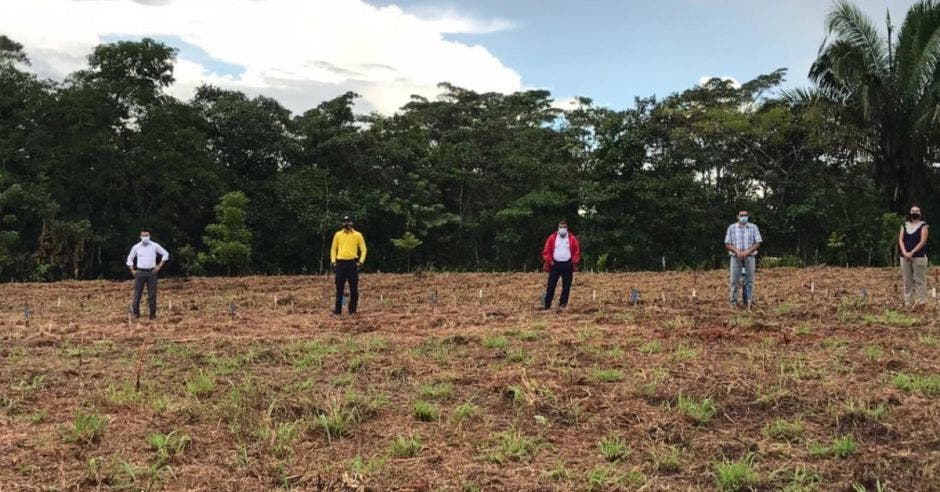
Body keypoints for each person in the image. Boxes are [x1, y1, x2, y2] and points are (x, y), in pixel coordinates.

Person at [126, 230, 169, 320]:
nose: (145, 237)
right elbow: (130, 258)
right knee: (137, 294)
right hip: (140, 272)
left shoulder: (155, 246)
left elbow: (165, 254)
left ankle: (152, 314)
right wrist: (132, 269)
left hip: (151, 272)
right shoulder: (136, 247)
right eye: (143, 235)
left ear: (149, 236)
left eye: (147, 235)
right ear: (140, 236)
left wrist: (159, 266)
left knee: (152, 295)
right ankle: (136, 313)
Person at [724, 210, 762, 308]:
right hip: (735, 257)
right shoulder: (732, 228)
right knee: (734, 281)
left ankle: (748, 302)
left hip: (750, 257)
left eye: (745, 215)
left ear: (748, 216)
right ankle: (733, 303)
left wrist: (747, 252)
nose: (744, 217)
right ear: (738, 216)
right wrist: (737, 252)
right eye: (742, 215)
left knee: (749, 281)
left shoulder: (753, 227)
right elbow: (727, 243)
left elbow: (758, 242)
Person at [331, 216, 367, 315]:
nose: (347, 224)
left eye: (349, 221)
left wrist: (361, 261)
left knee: (353, 288)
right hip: (340, 263)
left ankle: (352, 310)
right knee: (339, 288)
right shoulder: (338, 235)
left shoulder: (358, 235)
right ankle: (338, 311)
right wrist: (333, 261)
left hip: (352, 263)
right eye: (345, 222)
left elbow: (363, 249)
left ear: (352, 223)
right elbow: (333, 249)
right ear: (342, 223)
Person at [541, 220, 581, 309]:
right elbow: (546, 251)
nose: (562, 229)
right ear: (558, 228)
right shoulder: (552, 238)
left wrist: (574, 261)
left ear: (567, 229)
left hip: (567, 264)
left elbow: (576, 251)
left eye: (564, 228)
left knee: (566, 286)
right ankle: (547, 305)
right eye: (561, 228)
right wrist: (550, 261)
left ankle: (562, 305)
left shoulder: (572, 238)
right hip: (555, 264)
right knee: (551, 285)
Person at [899, 205, 929, 307]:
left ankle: (921, 302)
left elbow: (923, 241)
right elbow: (901, 240)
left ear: (920, 214)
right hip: (904, 258)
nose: (914, 212)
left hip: (919, 257)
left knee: (919, 280)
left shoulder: (923, 226)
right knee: (907, 281)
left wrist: (912, 252)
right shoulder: (904, 225)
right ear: (909, 213)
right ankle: (908, 303)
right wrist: (904, 252)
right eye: (913, 210)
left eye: (917, 211)